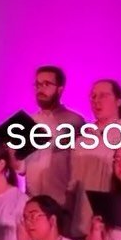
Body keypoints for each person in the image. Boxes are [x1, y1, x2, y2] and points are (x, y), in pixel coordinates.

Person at [71, 79, 121, 237]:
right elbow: (72, 183)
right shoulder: (82, 140)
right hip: (82, 226)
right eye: (93, 96)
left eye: (103, 96)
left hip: (117, 229)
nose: (96, 101)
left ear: (118, 101)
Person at [18, 66, 84, 207]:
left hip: (61, 202)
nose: (40, 89)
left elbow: (80, 164)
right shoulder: (29, 122)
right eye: (38, 84)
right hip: (32, 201)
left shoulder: (74, 121)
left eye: (46, 84)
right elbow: (21, 169)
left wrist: (71, 197)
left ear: (60, 89)